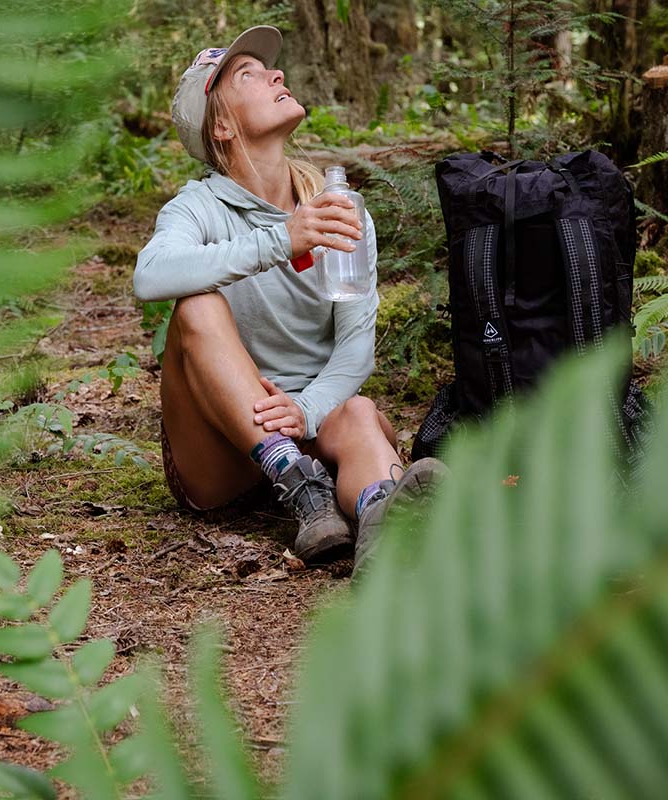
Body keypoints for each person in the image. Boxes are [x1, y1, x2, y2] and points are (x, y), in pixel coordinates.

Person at [133, 25, 447, 572]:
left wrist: (303, 411)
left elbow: (355, 347)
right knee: (195, 303)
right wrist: (283, 239)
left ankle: (384, 527)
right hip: (219, 457)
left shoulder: (339, 210)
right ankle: (299, 484)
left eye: (270, 67)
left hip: (308, 427)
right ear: (223, 126)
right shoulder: (197, 209)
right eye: (247, 75)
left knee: (358, 412)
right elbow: (150, 276)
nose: (275, 74)